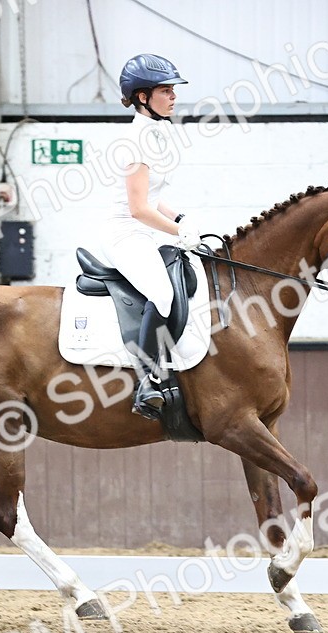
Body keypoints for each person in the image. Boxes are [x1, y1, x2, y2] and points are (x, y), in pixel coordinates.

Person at [103, 53, 201, 420]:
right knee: (161, 293)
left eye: (173, 90)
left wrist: (184, 219)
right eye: (166, 90)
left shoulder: (156, 135)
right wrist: (180, 232)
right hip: (124, 233)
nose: (173, 96)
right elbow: (138, 209)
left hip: (144, 231)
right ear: (143, 97)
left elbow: (155, 198)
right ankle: (147, 382)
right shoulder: (134, 141)